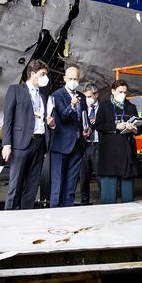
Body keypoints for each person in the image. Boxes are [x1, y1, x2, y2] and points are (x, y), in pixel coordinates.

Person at [2, 59, 55, 210]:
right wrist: (7, 144)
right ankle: (9, 215)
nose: (46, 77)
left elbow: (45, 118)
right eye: (42, 74)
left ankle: (26, 215)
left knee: (32, 185)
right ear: (32, 74)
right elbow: (8, 120)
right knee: (15, 184)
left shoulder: (43, 95)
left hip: (39, 143)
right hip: (21, 143)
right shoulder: (16, 90)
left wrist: (51, 124)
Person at [94, 79, 141, 204]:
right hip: (109, 152)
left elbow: (141, 128)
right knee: (108, 195)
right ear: (113, 91)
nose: (123, 95)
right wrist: (115, 126)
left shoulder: (131, 107)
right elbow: (99, 126)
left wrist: (135, 129)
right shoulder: (104, 106)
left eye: (125, 92)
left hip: (126, 152)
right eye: (120, 92)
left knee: (128, 196)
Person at [48, 65, 88, 207]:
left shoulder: (82, 97)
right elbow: (63, 117)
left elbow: (84, 118)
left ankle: (68, 211)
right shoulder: (57, 95)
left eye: (75, 79)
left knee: (71, 185)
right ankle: (54, 213)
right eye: (70, 78)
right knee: (57, 183)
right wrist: (71, 105)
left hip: (77, 144)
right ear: (64, 78)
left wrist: (87, 129)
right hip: (60, 145)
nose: (73, 81)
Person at [79, 82, 101, 205]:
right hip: (85, 145)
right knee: (83, 178)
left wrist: (97, 122)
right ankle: (84, 204)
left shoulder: (103, 108)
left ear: (96, 95)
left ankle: (104, 203)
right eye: (85, 97)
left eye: (89, 96)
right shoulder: (82, 108)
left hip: (98, 145)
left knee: (100, 177)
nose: (87, 99)